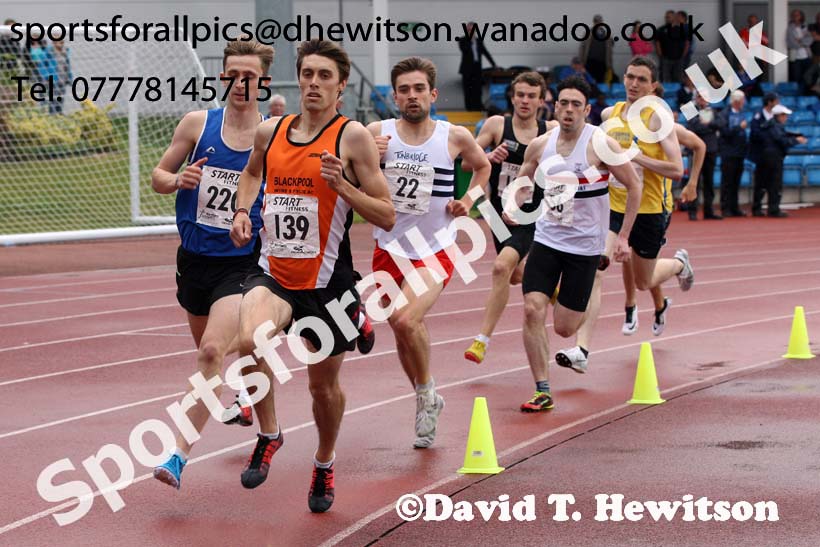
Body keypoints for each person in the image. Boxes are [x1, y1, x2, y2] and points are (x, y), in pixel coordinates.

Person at [230, 39, 395, 513]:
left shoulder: (353, 137)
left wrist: (343, 185)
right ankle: (269, 433)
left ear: (341, 86)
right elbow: (251, 173)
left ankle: (324, 462)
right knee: (249, 339)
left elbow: (386, 215)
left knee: (321, 387)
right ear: (297, 79)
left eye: (325, 76)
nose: (314, 84)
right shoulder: (271, 130)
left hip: (327, 282)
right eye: (308, 74)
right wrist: (243, 210)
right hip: (275, 272)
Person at [150, 40, 273, 490]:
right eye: (233, 74)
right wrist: (177, 178)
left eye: (250, 76)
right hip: (194, 262)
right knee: (215, 357)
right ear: (222, 77)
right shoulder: (198, 124)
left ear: (262, 82)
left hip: (241, 264)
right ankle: (257, 412)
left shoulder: (273, 132)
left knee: (210, 353)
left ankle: (177, 454)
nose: (240, 83)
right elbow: (158, 176)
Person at [367, 56, 490, 446]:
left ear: (433, 94)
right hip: (388, 248)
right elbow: (349, 171)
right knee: (403, 333)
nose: (412, 96)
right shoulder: (376, 132)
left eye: (419, 89)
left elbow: (482, 167)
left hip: (435, 248)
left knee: (405, 320)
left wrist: (467, 200)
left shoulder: (453, 136)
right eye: (404, 90)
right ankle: (427, 396)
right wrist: (371, 154)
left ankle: (425, 395)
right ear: (395, 97)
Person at [514, 76, 642, 411]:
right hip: (547, 239)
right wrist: (515, 203)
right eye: (563, 103)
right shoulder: (541, 145)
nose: (568, 110)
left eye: (576, 105)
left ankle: (562, 296)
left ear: (587, 110)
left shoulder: (600, 144)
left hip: (584, 247)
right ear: (554, 106)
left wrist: (624, 236)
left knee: (564, 328)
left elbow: (634, 186)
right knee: (531, 310)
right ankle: (542, 389)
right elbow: (522, 180)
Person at [556, 57, 692, 373]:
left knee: (644, 281)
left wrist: (637, 157)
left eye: (641, 80)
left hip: (649, 209)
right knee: (597, 269)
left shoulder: (659, 121)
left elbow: (676, 170)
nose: (632, 84)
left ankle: (679, 264)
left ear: (653, 86)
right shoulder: (610, 115)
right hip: (613, 205)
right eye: (629, 77)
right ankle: (582, 349)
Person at [462, 72, 557, 364]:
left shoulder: (550, 130)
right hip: (495, 212)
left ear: (542, 100)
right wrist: (489, 157)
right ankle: (553, 288)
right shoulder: (496, 125)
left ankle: (481, 340)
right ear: (512, 97)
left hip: (530, 212)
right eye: (520, 95)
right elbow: (467, 163)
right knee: (516, 274)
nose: (525, 101)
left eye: (531, 96)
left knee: (502, 267)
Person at [621, 83, 701, 337]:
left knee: (642, 266)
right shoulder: (622, 126)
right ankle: (639, 306)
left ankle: (678, 265)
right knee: (628, 255)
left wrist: (692, 183)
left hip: (656, 205)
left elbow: (699, 146)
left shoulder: (669, 128)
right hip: (626, 201)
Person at [754, 105, 807, 218]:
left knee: (764, 183)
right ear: (779, 115)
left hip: (767, 157)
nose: (786, 118)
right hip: (773, 158)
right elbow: (781, 140)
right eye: (784, 115)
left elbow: (783, 135)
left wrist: (795, 136)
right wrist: (796, 140)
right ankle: (773, 209)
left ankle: (759, 208)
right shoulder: (774, 127)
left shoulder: (770, 125)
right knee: (774, 184)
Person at [685, 92, 722, 220]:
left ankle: (709, 210)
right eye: (700, 96)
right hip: (695, 150)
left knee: (709, 182)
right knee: (694, 181)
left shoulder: (713, 110)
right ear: (696, 97)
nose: (702, 99)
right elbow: (693, 127)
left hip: (710, 149)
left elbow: (720, 124)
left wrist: (706, 124)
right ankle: (692, 211)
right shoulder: (689, 109)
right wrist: (709, 125)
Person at [717, 90, 749, 217]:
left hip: (739, 152)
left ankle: (735, 207)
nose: (744, 102)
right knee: (727, 181)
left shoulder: (741, 113)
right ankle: (725, 207)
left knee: (736, 181)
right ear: (737, 101)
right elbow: (725, 132)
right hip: (728, 152)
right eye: (742, 100)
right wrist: (739, 128)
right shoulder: (725, 114)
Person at [749, 92, 780, 216]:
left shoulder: (776, 116)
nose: (778, 103)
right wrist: (768, 135)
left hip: (774, 154)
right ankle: (756, 207)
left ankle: (773, 208)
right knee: (760, 183)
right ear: (770, 102)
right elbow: (755, 134)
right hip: (761, 155)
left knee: (774, 183)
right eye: (776, 101)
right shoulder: (758, 116)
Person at [458, 22, 496, 111]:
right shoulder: (463, 40)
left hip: (477, 68)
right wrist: (470, 40)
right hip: (467, 69)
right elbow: (464, 50)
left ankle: (477, 108)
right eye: (468, 30)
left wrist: (494, 64)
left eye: (471, 30)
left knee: (477, 90)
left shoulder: (478, 41)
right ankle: (469, 109)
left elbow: (485, 53)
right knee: (468, 90)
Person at [655, 10, 689, 83]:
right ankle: (666, 93)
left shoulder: (681, 29)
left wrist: (683, 55)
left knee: (678, 78)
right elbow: (657, 43)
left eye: (669, 17)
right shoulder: (661, 29)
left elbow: (687, 43)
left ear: (674, 17)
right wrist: (661, 55)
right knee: (665, 78)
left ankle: (678, 93)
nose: (667, 18)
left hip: (678, 59)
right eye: (666, 17)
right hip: (666, 59)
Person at [579, 14, 613, 83]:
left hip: (602, 62)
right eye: (596, 21)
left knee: (600, 81)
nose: (598, 23)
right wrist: (581, 62)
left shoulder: (606, 33)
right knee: (589, 81)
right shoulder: (588, 33)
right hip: (589, 61)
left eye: (599, 22)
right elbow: (582, 48)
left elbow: (610, 48)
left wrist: (609, 64)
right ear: (594, 22)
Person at [787, 9, 813, 92]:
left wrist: (800, 41)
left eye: (797, 15)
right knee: (796, 77)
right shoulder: (790, 28)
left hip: (806, 56)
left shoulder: (805, 26)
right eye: (794, 15)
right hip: (796, 58)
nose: (796, 16)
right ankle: (798, 95)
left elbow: (810, 39)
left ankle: (807, 94)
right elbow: (790, 42)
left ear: (801, 16)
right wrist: (802, 43)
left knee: (807, 77)